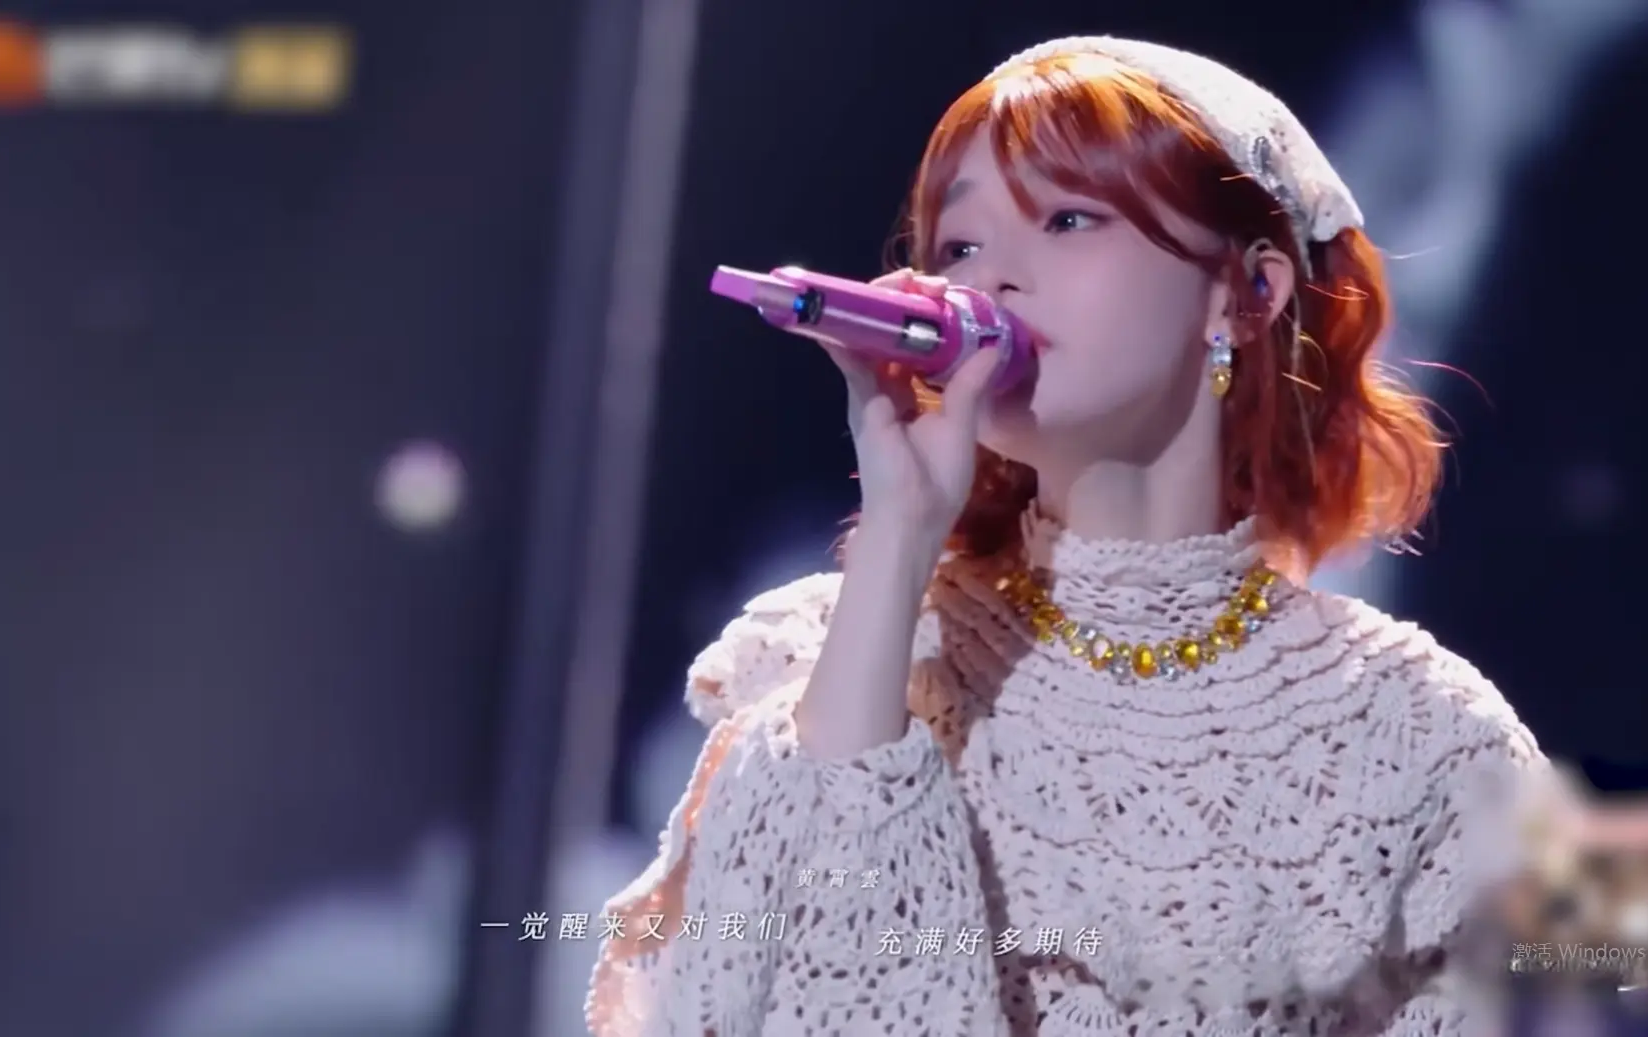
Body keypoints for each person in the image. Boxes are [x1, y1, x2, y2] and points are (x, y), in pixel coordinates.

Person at [586, 36, 1547, 1036]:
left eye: (1066, 219)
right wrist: (898, 540)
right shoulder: (823, 657)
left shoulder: (1417, 734)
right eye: (958, 248)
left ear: (1244, 292)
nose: (989, 282)